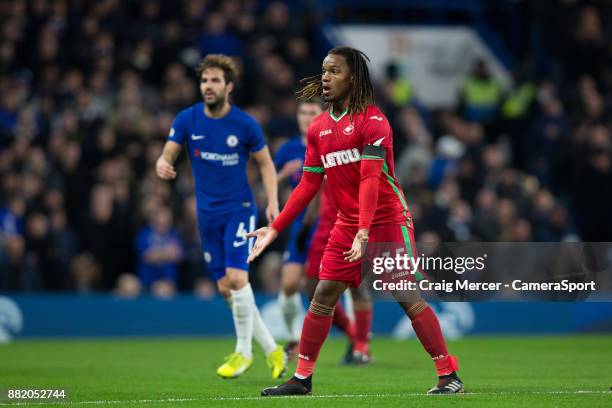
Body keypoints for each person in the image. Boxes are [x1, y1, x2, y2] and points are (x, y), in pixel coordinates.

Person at [248, 46, 464, 395]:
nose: (326, 77)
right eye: (324, 70)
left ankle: (448, 375)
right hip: (348, 223)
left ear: (353, 77)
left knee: (405, 294)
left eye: (334, 71)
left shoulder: (374, 121)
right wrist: (275, 227)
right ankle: (302, 379)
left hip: (387, 219)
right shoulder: (319, 128)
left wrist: (364, 231)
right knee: (323, 293)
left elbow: (370, 179)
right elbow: (307, 184)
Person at [156, 54, 287, 379]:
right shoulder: (188, 119)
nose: (208, 86)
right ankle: (273, 349)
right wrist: (162, 162)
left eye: (215, 81)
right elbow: (170, 150)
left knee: (238, 278)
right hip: (206, 215)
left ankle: (244, 352)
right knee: (227, 289)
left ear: (228, 87)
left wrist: (272, 202)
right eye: (204, 81)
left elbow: (266, 164)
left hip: (239, 210)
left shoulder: (244, 124)